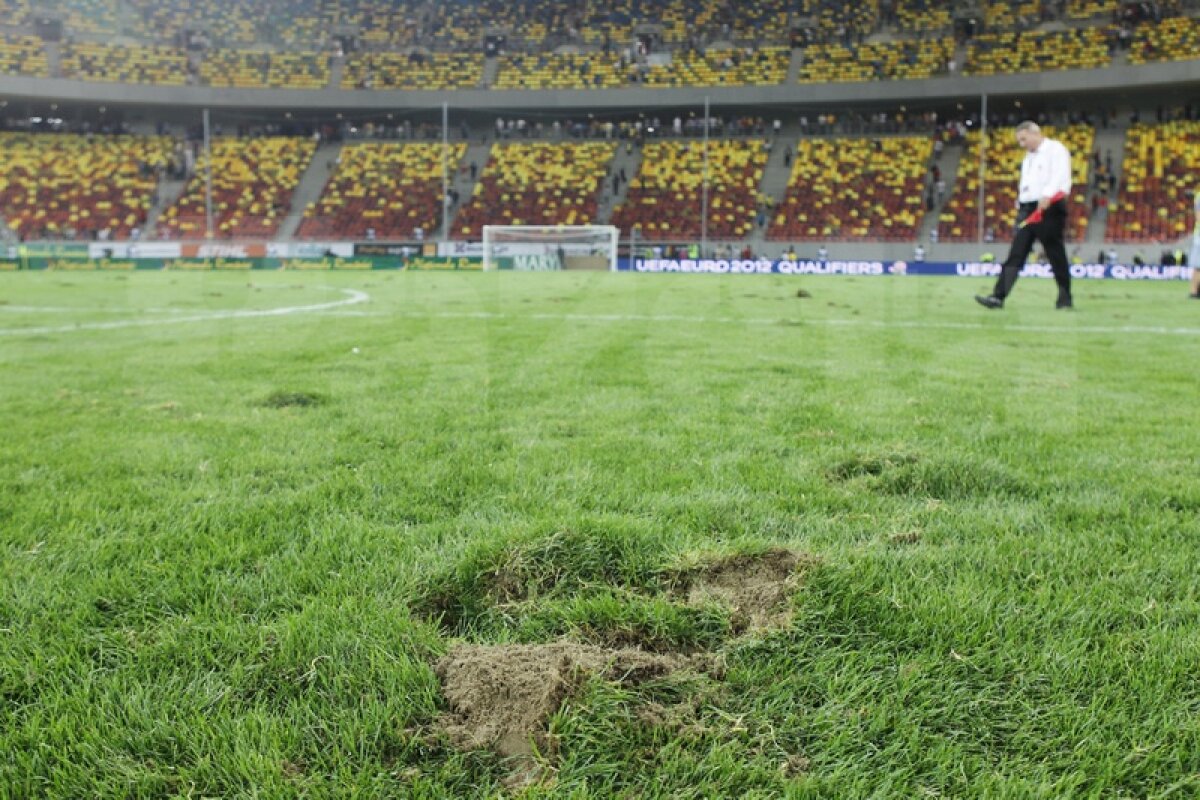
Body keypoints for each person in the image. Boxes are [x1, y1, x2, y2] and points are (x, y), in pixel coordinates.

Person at [975, 121, 1074, 310]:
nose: (1022, 144)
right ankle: (998, 297)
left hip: (1049, 207)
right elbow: (1027, 182)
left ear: (1034, 133)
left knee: (1055, 254)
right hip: (1029, 209)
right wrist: (1021, 202)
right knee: (1017, 253)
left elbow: (1060, 175)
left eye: (1023, 139)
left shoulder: (1056, 149)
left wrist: (1047, 196)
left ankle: (1065, 298)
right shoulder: (1028, 157)